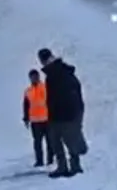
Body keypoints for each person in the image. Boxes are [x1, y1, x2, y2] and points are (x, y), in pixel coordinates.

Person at [39, 47, 87, 178]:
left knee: (67, 141)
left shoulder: (58, 74)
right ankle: (65, 166)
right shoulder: (59, 73)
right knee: (57, 142)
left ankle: (73, 166)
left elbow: (66, 94)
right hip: (58, 114)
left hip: (64, 114)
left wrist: (71, 111)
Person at [23, 69, 55, 167]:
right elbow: (26, 105)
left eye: (35, 77)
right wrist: (26, 118)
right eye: (32, 77)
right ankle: (39, 160)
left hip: (47, 119)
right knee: (37, 142)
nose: (34, 79)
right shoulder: (28, 91)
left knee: (50, 141)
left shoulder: (45, 88)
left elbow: (51, 101)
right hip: (35, 121)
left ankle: (50, 159)